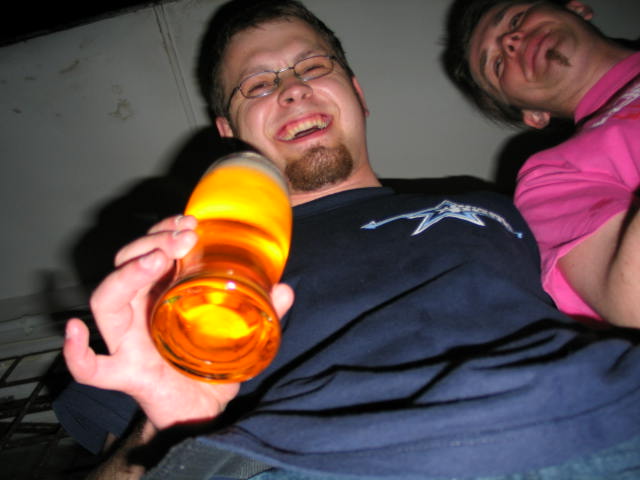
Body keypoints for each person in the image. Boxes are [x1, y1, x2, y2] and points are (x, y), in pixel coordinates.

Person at [56, 0, 640, 479]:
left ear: (357, 92)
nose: (292, 90)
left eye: (313, 68)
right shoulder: (192, 276)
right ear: (229, 133)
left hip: (603, 422)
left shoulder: (491, 204)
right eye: (257, 85)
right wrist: (167, 428)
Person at [442, 0, 640, 328]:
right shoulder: (552, 177)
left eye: (516, 19)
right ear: (534, 115)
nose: (511, 40)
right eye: (497, 65)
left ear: (577, 8)